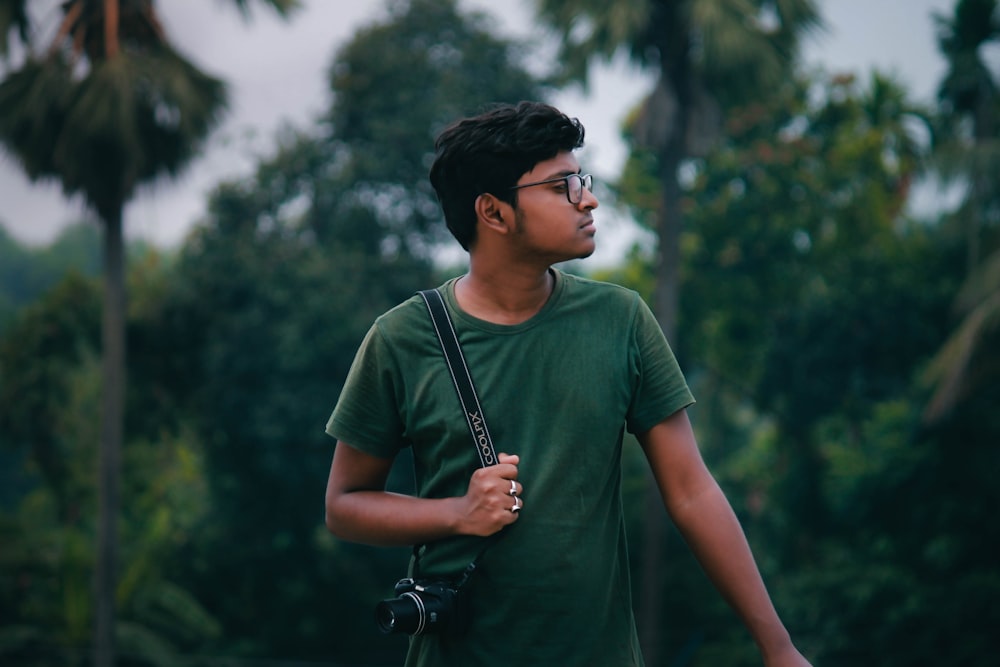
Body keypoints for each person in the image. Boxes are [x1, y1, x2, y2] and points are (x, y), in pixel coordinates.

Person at [324, 101, 810, 667]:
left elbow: (692, 491)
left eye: (582, 179)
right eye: (562, 186)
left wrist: (777, 648)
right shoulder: (401, 339)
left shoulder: (621, 320)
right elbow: (345, 505)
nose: (588, 198)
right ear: (494, 212)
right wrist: (457, 513)